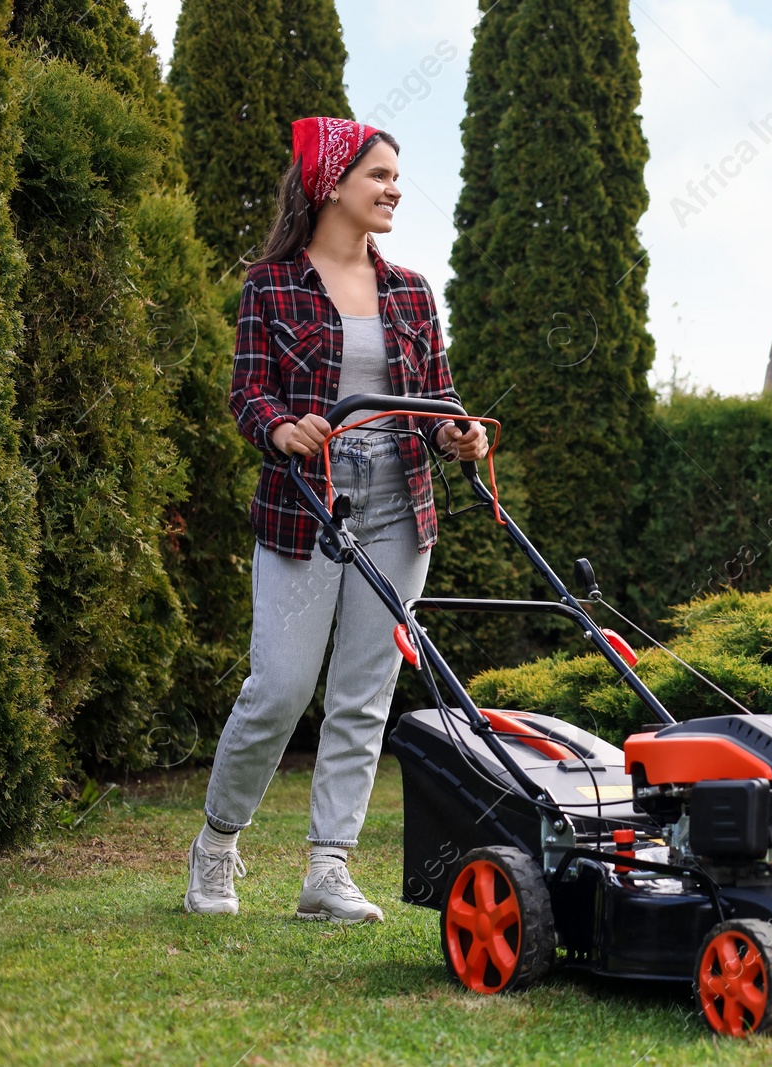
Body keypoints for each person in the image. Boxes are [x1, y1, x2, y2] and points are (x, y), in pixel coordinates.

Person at [184, 117, 488, 923]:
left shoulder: (412, 290)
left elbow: (435, 401)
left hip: (399, 507)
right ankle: (217, 845)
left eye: (395, 176)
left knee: (363, 695)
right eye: (379, 176)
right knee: (277, 689)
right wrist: (281, 427)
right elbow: (248, 392)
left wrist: (459, 432)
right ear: (330, 184)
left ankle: (327, 871)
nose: (393, 189)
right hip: (305, 508)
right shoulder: (272, 285)